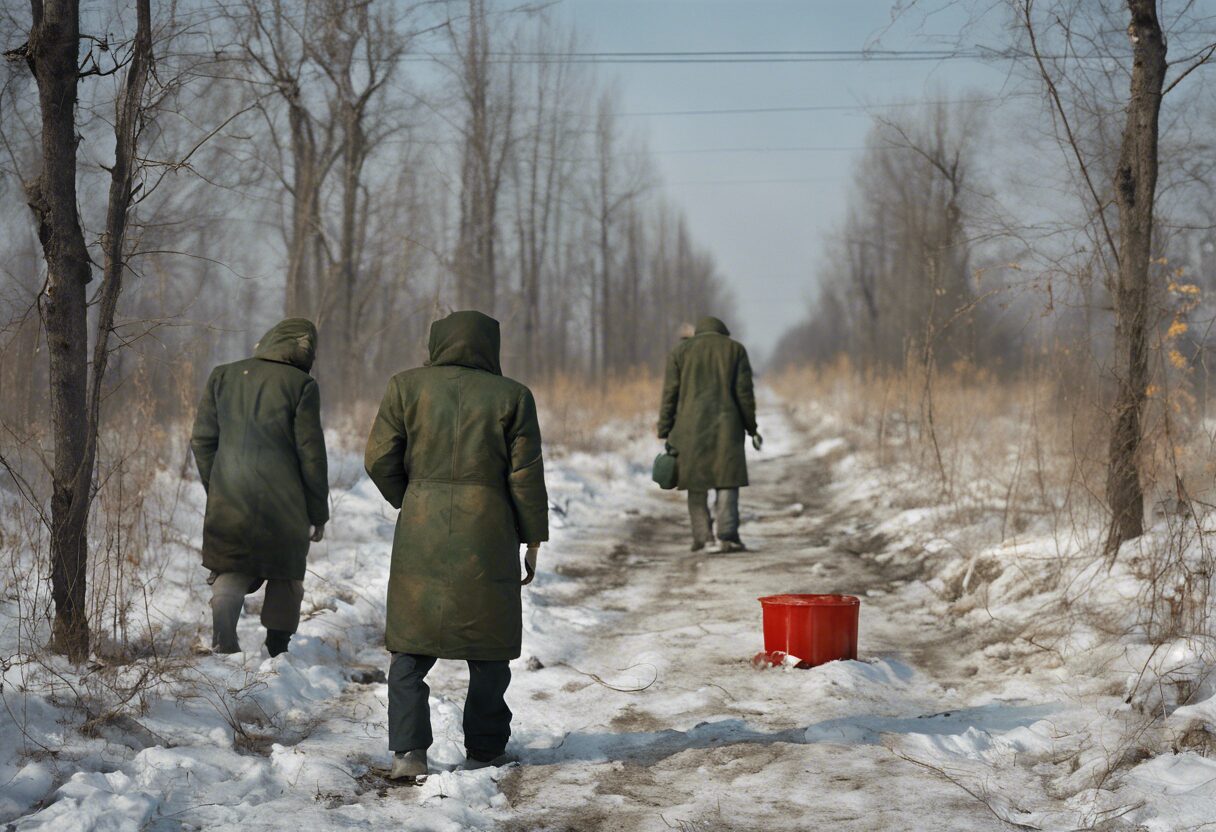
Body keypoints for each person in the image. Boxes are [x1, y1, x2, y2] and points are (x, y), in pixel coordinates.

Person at [364, 310, 548, 782]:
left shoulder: (406, 387)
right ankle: (485, 751)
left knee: (409, 645)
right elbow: (524, 477)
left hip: (420, 527)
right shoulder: (513, 396)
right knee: (489, 649)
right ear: (491, 344)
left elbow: (379, 457)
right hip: (487, 532)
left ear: (437, 342)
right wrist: (531, 538)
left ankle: (408, 753)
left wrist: (411, 495)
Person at [190, 318, 329, 657]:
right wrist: (318, 512)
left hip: (230, 497)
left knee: (230, 565)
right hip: (286, 503)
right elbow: (310, 454)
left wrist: (218, 485)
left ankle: (224, 641)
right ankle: (277, 651)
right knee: (285, 575)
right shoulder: (301, 385)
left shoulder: (223, 375)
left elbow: (202, 440)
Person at [657, 316, 760, 552]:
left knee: (696, 482)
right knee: (727, 480)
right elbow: (745, 394)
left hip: (689, 428)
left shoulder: (680, 352)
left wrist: (664, 427)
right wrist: (751, 427)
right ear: (723, 331)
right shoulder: (735, 350)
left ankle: (702, 536)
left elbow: (669, 394)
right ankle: (727, 534)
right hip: (728, 426)